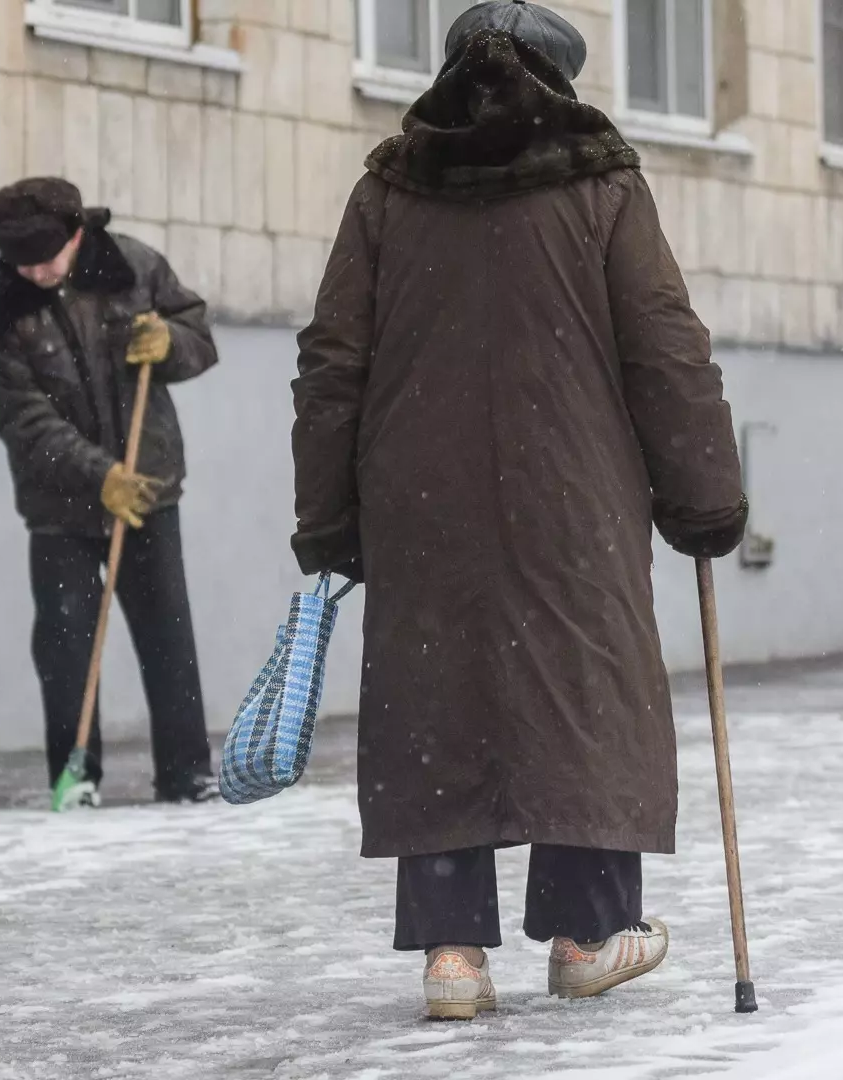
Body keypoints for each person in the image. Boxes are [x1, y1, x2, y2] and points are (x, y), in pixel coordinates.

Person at [290, 0, 747, 1021]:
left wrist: (327, 513)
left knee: (436, 707)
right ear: (563, 82)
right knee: (580, 694)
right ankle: (586, 935)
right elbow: (664, 348)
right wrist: (706, 497)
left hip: (420, 499)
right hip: (572, 498)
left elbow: (332, 361)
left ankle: (453, 956)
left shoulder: (388, 190)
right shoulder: (601, 186)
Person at [0, 177, 221, 809]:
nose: (36, 271)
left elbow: (199, 335)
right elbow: (24, 422)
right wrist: (97, 475)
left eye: (46, 258)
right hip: (61, 509)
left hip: (147, 488)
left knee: (167, 636)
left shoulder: (132, 266)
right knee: (65, 644)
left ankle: (186, 773)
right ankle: (76, 773)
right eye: (21, 262)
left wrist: (171, 346)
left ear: (77, 235)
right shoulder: (2, 307)